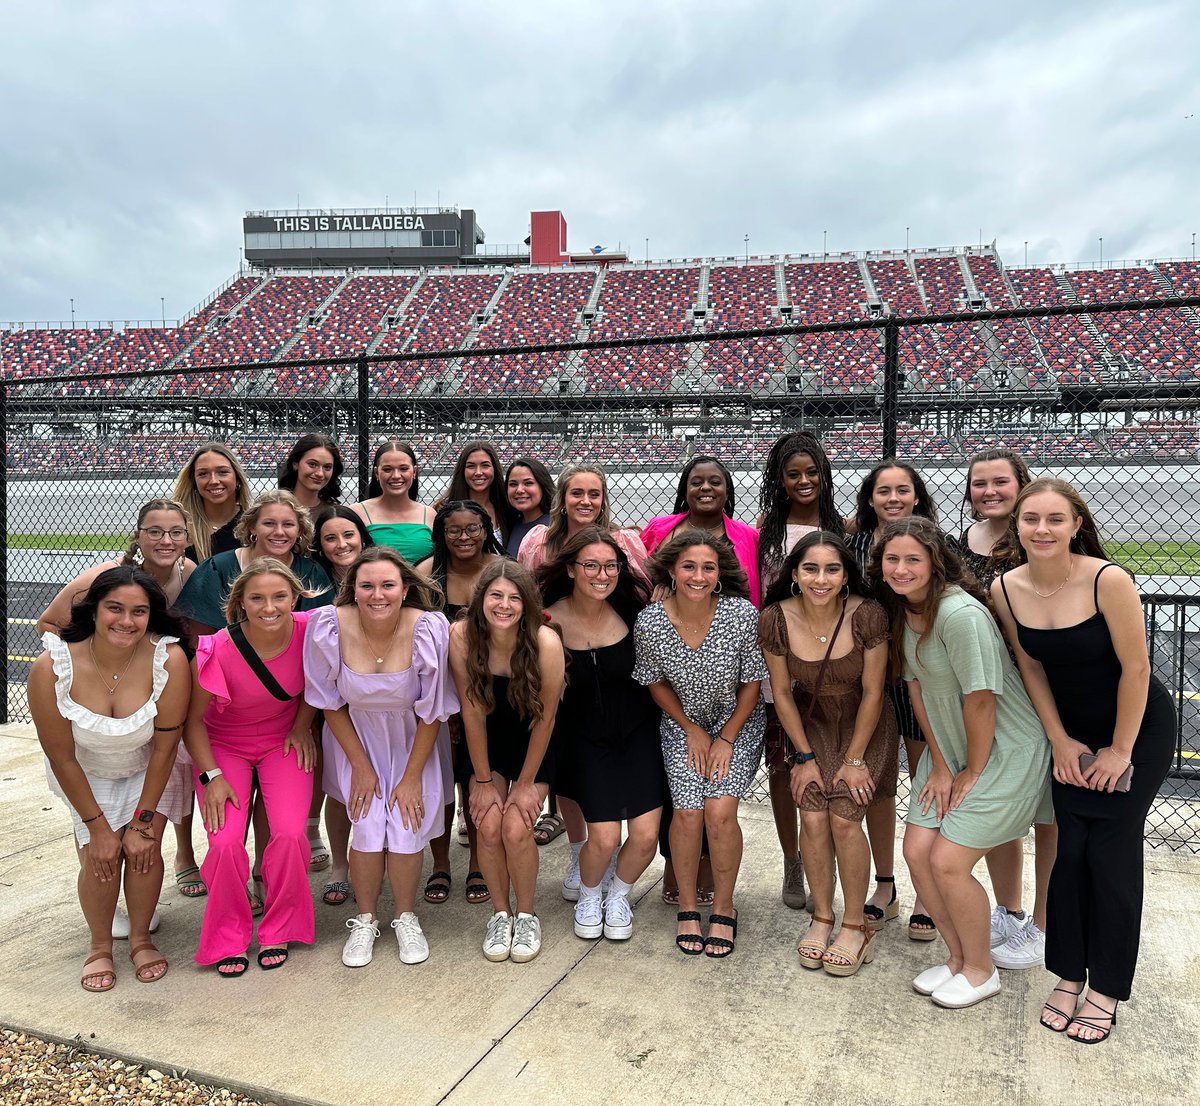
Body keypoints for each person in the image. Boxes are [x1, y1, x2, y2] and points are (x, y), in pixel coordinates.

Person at [991, 479, 1174, 1042]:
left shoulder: (1107, 579)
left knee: (1110, 857)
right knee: (1070, 854)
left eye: (1054, 519)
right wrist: (1060, 740)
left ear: (1075, 525)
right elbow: (1033, 670)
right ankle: (1070, 974)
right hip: (1068, 738)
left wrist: (1119, 751)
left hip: (1134, 729)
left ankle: (1107, 988)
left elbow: (1137, 670)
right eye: (1030, 520)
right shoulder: (1004, 587)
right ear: (1017, 526)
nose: (1041, 530)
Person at [872, 517, 1052, 1010]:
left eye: (913, 559)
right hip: (951, 752)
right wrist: (944, 766)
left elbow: (981, 700)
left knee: (948, 863)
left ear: (935, 562)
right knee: (916, 850)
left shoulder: (960, 614)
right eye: (892, 559)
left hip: (1004, 751)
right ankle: (958, 959)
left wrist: (971, 770)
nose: (902, 568)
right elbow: (916, 688)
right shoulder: (904, 611)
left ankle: (981, 970)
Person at [30, 567, 191, 991]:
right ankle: (99, 947)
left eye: (139, 611)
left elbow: (166, 746)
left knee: (144, 852)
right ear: (94, 610)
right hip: (82, 769)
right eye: (115, 608)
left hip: (148, 766)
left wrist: (142, 823)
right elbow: (61, 756)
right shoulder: (52, 666)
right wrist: (98, 828)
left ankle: (140, 940)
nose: (126, 621)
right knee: (101, 859)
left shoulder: (168, 658)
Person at [37, 499, 202, 903]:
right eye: (154, 532)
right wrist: (94, 671)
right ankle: (107, 904)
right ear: (138, 535)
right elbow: (48, 623)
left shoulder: (189, 573)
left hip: (158, 700)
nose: (165, 540)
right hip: (106, 717)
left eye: (175, 532)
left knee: (166, 787)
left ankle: (179, 860)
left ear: (187, 538)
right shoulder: (103, 579)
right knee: (103, 839)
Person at [305, 548, 458, 968]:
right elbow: (328, 701)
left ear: (405, 588)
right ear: (352, 588)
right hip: (356, 740)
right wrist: (360, 765)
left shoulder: (429, 628)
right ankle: (365, 918)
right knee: (368, 826)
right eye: (367, 585)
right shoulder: (328, 625)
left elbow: (433, 709)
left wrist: (411, 777)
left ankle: (405, 916)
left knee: (407, 825)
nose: (377, 594)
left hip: (416, 741)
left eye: (388, 585)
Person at [759, 532, 897, 976]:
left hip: (865, 722)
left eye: (832, 569)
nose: (821, 579)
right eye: (811, 569)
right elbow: (781, 692)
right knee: (813, 813)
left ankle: (857, 925)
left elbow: (875, 691)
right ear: (794, 574)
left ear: (845, 575)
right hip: (812, 722)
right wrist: (803, 758)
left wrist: (855, 760)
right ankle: (823, 916)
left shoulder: (867, 615)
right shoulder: (776, 618)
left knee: (844, 815)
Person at [633, 529, 767, 959]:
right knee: (688, 813)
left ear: (720, 573)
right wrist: (690, 728)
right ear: (671, 570)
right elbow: (653, 683)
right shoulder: (651, 621)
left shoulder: (740, 614)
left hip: (737, 724)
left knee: (720, 810)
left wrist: (725, 737)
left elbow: (751, 685)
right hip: (682, 726)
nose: (698, 575)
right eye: (689, 566)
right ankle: (688, 907)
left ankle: (724, 907)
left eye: (708, 567)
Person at [183, 559, 319, 976]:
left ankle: (280, 926)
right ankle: (227, 935)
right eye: (256, 598)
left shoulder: (311, 632)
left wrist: (300, 728)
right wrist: (212, 777)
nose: (269, 607)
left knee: (292, 833)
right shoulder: (217, 648)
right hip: (222, 747)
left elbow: (319, 686)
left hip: (283, 740)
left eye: (279, 596)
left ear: (295, 597)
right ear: (240, 602)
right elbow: (192, 723)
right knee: (224, 842)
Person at [517, 462, 648, 890]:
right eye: (577, 493)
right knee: (570, 771)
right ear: (562, 499)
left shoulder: (623, 543)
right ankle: (580, 849)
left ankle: (602, 852)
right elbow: (529, 595)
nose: (586, 501)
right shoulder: (541, 542)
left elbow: (644, 594)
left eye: (594, 494)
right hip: (563, 659)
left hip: (612, 671)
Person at [955, 448, 1056, 969]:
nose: (989, 492)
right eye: (979, 483)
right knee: (1003, 808)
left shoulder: (1034, 542)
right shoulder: (960, 544)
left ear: (1022, 485)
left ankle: (1044, 921)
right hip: (988, 689)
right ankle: (1010, 910)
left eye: (1001, 482)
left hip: (1037, 683)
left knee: (1048, 813)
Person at [541, 527, 663, 942]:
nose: (602, 573)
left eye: (610, 565)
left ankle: (619, 894)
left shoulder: (635, 610)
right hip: (583, 741)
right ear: (572, 569)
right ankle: (591, 894)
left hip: (638, 734)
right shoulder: (547, 619)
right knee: (605, 837)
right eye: (591, 565)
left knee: (645, 835)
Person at [448, 561, 565, 964]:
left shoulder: (545, 642)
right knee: (489, 824)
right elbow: (472, 711)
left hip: (533, 740)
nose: (504, 605)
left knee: (517, 828)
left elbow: (546, 718)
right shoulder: (462, 635)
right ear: (480, 599)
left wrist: (527, 783)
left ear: (527, 604)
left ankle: (527, 915)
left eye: (514, 598)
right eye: (496, 595)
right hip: (487, 742)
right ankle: (501, 914)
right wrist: (481, 781)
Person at [845, 460, 939, 938]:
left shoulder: (932, 542)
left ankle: (927, 889)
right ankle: (886, 884)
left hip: (921, 669)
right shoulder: (855, 543)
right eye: (884, 491)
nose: (893, 498)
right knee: (880, 782)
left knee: (927, 774)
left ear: (917, 495)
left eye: (903, 489)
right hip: (873, 674)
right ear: (870, 498)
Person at [756, 431, 842, 913]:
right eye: (794, 474)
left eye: (812, 473)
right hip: (780, 665)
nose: (804, 481)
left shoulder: (840, 525)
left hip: (830, 667)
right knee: (783, 765)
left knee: (828, 763)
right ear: (780, 480)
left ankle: (822, 859)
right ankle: (793, 858)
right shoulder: (768, 527)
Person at [415, 501, 505, 908]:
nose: (464, 537)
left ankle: (475, 861)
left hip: (492, 694)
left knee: (475, 776)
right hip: (439, 694)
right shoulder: (424, 573)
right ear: (441, 533)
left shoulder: (503, 570)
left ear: (486, 530)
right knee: (440, 779)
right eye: (454, 530)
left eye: (473, 528)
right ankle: (440, 862)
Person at [308, 505, 378, 908]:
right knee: (339, 785)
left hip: (373, 692)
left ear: (361, 537)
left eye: (348, 535)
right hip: (326, 695)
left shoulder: (377, 573)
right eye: (330, 538)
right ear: (319, 544)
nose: (341, 544)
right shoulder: (313, 582)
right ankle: (340, 865)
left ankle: (377, 854)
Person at [176, 490, 333, 635]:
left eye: (288, 524)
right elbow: (199, 638)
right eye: (269, 523)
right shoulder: (218, 570)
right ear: (252, 527)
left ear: (299, 530)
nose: (279, 532)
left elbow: (323, 633)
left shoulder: (311, 574)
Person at [641, 455, 762, 605]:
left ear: (727, 492)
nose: (705, 487)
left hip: (730, 623)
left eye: (715, 482)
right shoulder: (658, 528)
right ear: (685, 492)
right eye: (696, 483)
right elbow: (640, 576)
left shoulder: (749, 536)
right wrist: (661, 585)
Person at [351, 439, 436, 565]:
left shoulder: (429, 514)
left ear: (414, 471)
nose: (396, 475)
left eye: (403, 468)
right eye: (387, 469)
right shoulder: (357, 512)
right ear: (376, 473)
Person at [172, 442, 252, 564]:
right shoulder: (180, 528)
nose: (214, 481)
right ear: (194, 482)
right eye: (203, 474)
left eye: (223, 472)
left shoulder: (252, 525)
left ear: (238, 478)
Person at [437, 441, 507, 542]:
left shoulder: (507, 509)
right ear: (462, 471)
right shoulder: (443, 509)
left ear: (495, 469)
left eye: (485, 465)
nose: (478, 472)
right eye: (471, 466)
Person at [504, 456, 554, 559]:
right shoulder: (510, 524)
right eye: (513, 484)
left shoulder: (554, 527)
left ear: (542, 486)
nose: (519, 490)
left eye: (528, 483)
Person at [278, 433, 344, 510]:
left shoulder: (335, 514)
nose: (320, 474)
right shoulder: (273, 509)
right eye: (312, 464)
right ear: (295, 464)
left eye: (327, 467)